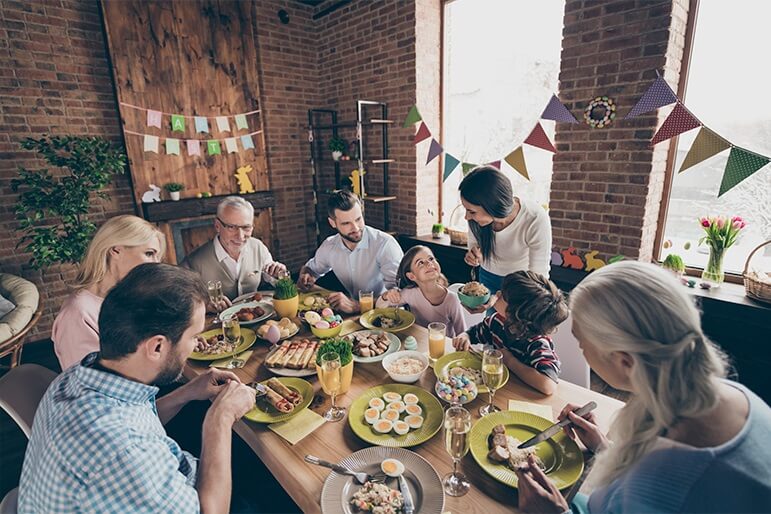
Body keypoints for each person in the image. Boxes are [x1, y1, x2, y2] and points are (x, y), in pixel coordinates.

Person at [515, 261, 771, 514]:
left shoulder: (657, 479)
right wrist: (604, 446)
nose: (582, 351)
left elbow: (662, 488)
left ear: (624, 361)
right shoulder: (733, 394)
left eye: (582, 344)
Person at [19, 263, 256, 513]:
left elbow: (137, 419)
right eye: (194, 336)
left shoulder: (75, 377)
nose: (197, 345)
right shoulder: (126, 452)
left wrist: (188, 392)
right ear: (156, 347)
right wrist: (220, 418)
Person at [52, 215, 165, 370]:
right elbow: (88, 386)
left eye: (157, 256)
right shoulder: (77, 313)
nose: (156, 264)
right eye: (149, 253)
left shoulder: (125, 296)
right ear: (116, 250)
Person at [453, 270, 567, 395]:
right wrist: (465, 336)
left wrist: (509, 360)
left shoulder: (537, 342)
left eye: (504, 296)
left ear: (516, 312)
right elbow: (475, 333)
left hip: (521, 396)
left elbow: (548, 385)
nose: (497, 294)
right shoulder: (497, 321)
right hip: (498, 389)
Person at [459, 166, 552, 312]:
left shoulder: (534, 218)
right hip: (487, 277)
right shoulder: (477, 220)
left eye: (471, 211)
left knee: (516, 327)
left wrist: (498, 299)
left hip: (522, 283)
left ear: (492, 206)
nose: (467, 217)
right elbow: (475, 245)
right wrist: (475, 256)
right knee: (491, 328)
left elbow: (538, 276)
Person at [298, 190, 403, 313]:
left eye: (358, 219)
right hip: (355, 315)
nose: (356, 228)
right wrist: (306, 275)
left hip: (390, 315)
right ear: (333, 223)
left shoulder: (385, 244)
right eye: (346, 223)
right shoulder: (329, 246)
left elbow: (401, 294)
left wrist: (357, 306)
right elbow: (311, 269)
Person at [181, 196, 286, 304]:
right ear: (217, 226)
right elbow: (184, 304)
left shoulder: (258, 247)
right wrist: (206, 305)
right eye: (231, 227)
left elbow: (276, 281)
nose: (240, 236)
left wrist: (280, 275)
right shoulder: (193, 263)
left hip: (257, 316)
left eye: (246, 227)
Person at [376, 245, 467, 337]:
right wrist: (386, 296)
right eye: (420, 263)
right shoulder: (410, 293)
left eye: (431, 259)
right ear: (412, 276)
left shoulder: (452, 300)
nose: (429, 263)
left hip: (444, 348)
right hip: (418, 343)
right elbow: (380, 307)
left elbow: (463, 335)